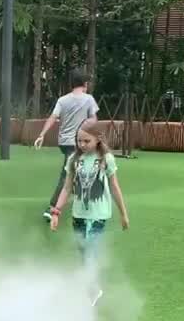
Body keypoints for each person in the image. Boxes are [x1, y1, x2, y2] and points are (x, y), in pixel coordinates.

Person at [49, 120, 129, 307]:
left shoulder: (106, 159)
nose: (82, 145)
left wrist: (123, 214)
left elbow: (115, 187)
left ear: (98, 140)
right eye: (79, 141)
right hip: (79, 215)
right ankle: (90, 288)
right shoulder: (73, 160)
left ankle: (92, 290)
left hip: (98, 215)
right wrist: (56, 212)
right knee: (84, 252)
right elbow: (67, 187)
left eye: (87, 141)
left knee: (90, 251)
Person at [34, 68, 99, 219]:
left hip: (64, 142)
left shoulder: (62, 100)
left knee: (79, 169)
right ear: (85, 84)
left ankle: (82, 199)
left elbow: (52, 117)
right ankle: (52, 208)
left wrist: (42, 135)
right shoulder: (88, 99)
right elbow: (93, 120)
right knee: (68, 174)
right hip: (78, 142)